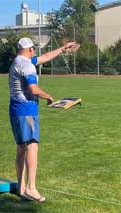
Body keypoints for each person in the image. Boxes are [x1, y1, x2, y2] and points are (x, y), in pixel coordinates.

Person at [9, 37, 80, 202]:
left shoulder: (18, 61)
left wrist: (63, 48)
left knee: (21, 149)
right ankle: (31, 188)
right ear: (30, 49)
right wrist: (48, 97)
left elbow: (45, 57)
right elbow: (33, 89)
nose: (35, 52)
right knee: (32, 147)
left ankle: (21, 187)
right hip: (27, 110)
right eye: (33, 49)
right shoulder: (27, 66)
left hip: (15, 109)